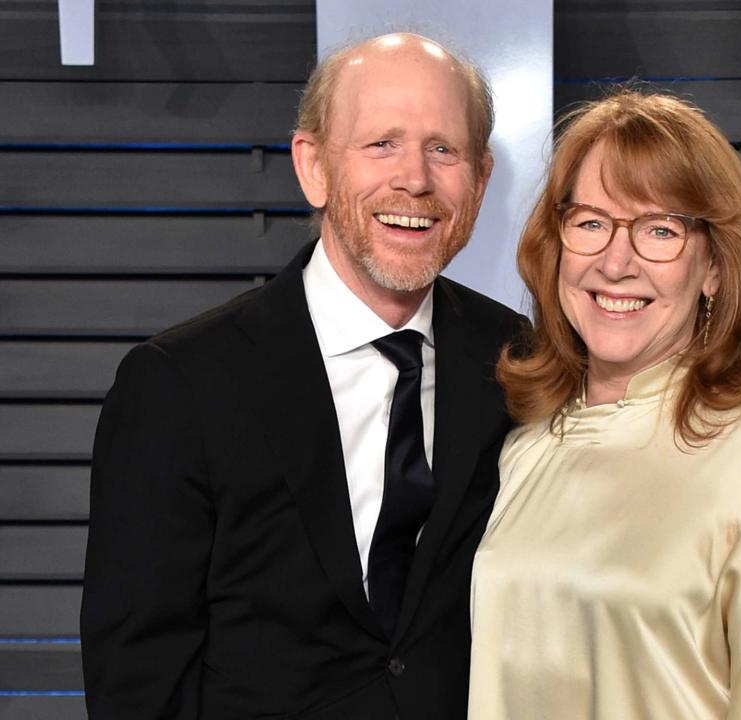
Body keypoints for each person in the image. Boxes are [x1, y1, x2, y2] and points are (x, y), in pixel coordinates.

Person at [81, 33, 525, 719]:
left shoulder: (520, 363)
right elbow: (138, 681)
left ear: (482, 178)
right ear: (312, 167)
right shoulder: (180, 384)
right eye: (381, 143)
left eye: (444, 149)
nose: (415, 178)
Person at [468, 92, 741, 719]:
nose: (617, 262)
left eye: (660, 230)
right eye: (591, 223)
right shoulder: (523, 442)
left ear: (715, 267)